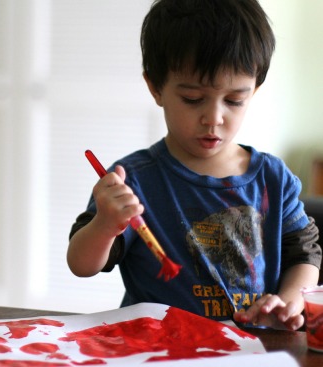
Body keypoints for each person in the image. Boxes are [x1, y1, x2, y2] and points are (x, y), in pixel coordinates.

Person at [67, 0, 322, 331]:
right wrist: (105, 223)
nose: (213, 118)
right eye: (192, 99)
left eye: (234, 100)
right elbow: (81, 264)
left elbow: (304, 255)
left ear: (254, 90)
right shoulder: (134, 180)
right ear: (156, 88)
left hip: (254, 349)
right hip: (157, 349)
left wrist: (289, 301)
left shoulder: (274, 178)